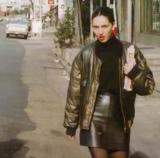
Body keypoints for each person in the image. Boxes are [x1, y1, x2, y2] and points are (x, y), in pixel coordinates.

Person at [63, 6, 155, 158]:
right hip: (93, 117)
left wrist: (133, 73)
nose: (100, 32)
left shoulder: (130, 51)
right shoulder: (84, 55)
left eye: (104, 26)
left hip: (120, 118)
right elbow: (74, 92)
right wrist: (71, 125)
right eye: (96, 27)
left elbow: (149, 87)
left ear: (113, 25)